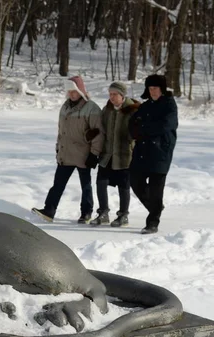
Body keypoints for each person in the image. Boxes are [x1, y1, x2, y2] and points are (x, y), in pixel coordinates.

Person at [33, 76, 104, 224]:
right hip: (66, 153)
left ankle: (86, 213)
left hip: (84, 154)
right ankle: (49, 210)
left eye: (74, 91)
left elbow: (98, 133)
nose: (72, 94)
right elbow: (61, 131)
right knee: (58, 184)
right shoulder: (65, 107)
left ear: (81, 91)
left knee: (85, 185)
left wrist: (94, 154)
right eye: (69, 91)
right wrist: (58, 149)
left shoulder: (92, 108)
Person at [128, 74, 178, 234]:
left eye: (155, 88)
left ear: (162, 89)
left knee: (156, 189)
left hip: (160, 152)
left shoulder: (169, 105)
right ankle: (156, 207)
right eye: (150, 88)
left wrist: (144, 129)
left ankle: (152, 222)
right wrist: (137, 131)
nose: (153, 91)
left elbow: (166, 125)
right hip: (142, 151)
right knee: (135, 182)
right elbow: (133, 124)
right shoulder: (145, 106)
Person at [90, 82, 140, 227]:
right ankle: (103, 213)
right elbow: (101, 129)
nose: (111, 97)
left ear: (122, 95)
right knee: (101, 183)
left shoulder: (133, 111)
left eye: (114, 94)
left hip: (125, 155)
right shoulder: (107, 110)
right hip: (107, 155)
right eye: (110, 94)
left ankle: (123, 215)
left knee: (123, 186)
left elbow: (139, 133)